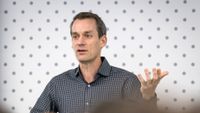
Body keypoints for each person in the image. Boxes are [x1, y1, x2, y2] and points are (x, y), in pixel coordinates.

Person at [30, 12, 168, 113]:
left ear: (103, 41)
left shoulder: (127, 81)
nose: (80, 42)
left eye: (88, 35)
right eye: (75, 36)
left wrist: (148, 96)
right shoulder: (58, 84)